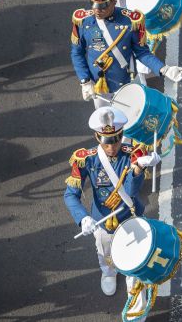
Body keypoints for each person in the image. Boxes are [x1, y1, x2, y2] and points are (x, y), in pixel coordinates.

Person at [63, 106, 160, 311]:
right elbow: (70, 195)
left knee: (136, 261)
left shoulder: (133, 153)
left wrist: (138, 168)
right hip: (102, 219)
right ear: (97, 137)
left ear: (121, 135)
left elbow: (131, 192)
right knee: (105, 254)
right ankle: (109, 272)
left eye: (116, 140)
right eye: (106, 142)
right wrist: (83, 218)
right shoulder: (86, 158)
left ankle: (135, 297)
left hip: (129, 215)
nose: (111, 147)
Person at [70, 0, 182, 109]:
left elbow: (142, 52)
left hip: (126, 83)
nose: (97, 10)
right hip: (98, 86)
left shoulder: (131, 21)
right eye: (93, 4)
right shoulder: (83, 21)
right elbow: (77, 53)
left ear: (113, 1)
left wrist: (164, 69)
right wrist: (85, 80)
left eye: (102, 6)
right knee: (108, 126)